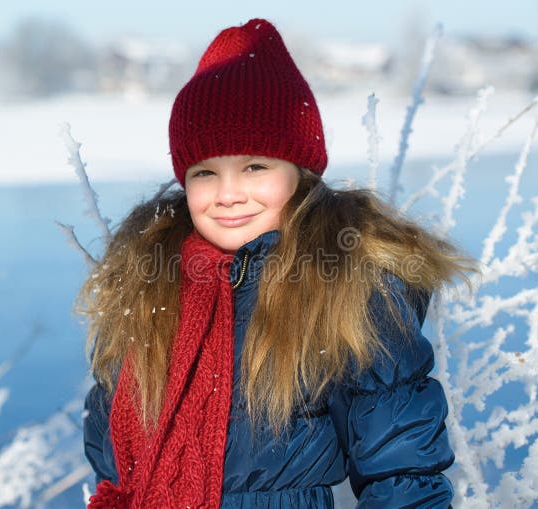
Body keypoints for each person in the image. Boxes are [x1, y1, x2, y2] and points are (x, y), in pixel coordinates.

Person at [77, 17, 476, 509]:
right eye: (205, 172)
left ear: (300, 173)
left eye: (254, 167)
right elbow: (110, 444)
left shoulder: (344, 285)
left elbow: (402, 468)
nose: (227, 194)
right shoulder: (150, 284)